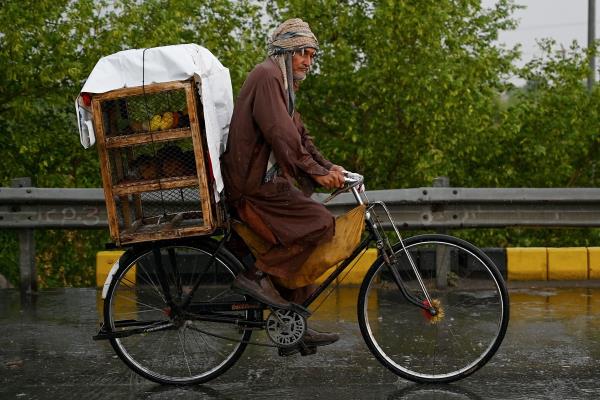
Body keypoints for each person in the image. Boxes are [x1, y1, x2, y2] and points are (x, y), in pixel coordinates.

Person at [220, 18, 344, 355]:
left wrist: (328, 167)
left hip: (265, 182)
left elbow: (300, 136)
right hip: (252, 187)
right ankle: (257, 275)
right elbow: (280, 133)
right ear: (286, 51)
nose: (308, 60)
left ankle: (294, 325)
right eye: (303, 52)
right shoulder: (267, 76)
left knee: (310, 235)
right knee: (320, 222)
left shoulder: (285, 84)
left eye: (312, 55)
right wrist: (315, 175)